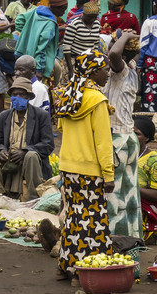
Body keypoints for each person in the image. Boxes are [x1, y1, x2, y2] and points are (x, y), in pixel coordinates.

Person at [48, 49, 115, 278]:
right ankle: (85, 272)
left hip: (68, 168)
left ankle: (64, 267)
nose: (108, 73)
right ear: (94, 72)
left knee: (74, 218)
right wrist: (108, 175)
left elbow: (61, 128)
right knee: (93, 222)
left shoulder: (68, 95)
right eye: (105, 69)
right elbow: (103, 143)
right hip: (90, 171)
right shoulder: (97, 100)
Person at [0, 75, 53, 200]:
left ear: (28, 97)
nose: (16, 98)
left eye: (21, 94)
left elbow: (48, 144)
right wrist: (1, 151)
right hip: (9, 160)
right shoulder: (3, 117)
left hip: (29, 162)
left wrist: (25, 151)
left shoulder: (41, 116)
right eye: (14, 94)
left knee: (31, 155)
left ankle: (33, 197)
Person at [103, 29, 142, 238]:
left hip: (118, 140)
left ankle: (112, 240)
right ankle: (131, 240)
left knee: (114, 195)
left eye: (111, 46)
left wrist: (125, 37)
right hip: (127, 138)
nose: (108, 51)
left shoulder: (122, 70)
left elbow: (115, 55)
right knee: (128, 193)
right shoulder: (132, 70)